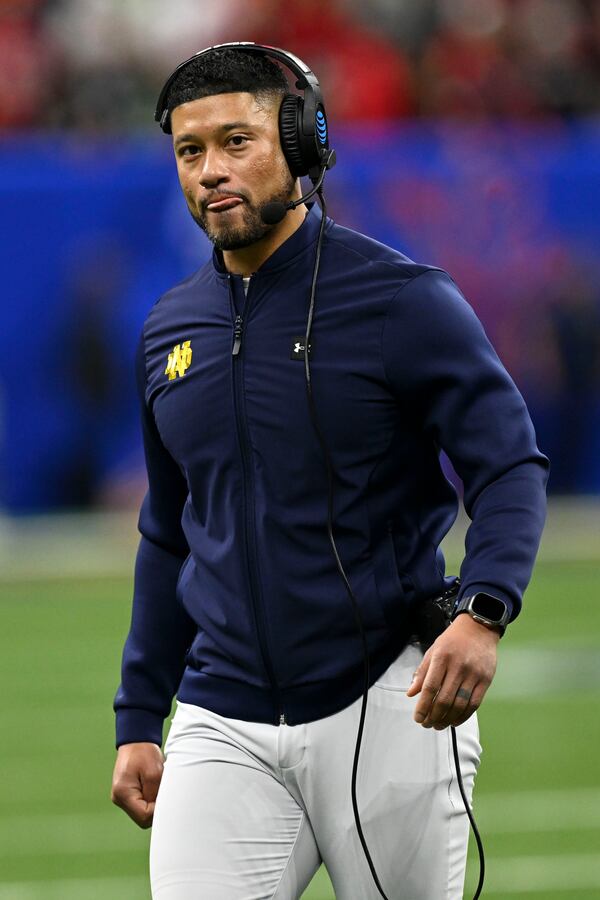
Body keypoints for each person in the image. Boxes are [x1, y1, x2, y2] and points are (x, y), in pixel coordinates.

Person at [111, 44, 548, 900]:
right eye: (190, 151)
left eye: (236, 142)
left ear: (304, 142)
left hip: (391, 698)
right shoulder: (169, 331)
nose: (210, 171)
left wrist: (485, 610)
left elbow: (508, 464)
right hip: (220, 711)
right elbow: (168, 534)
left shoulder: (403, 300)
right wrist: (138, 716)